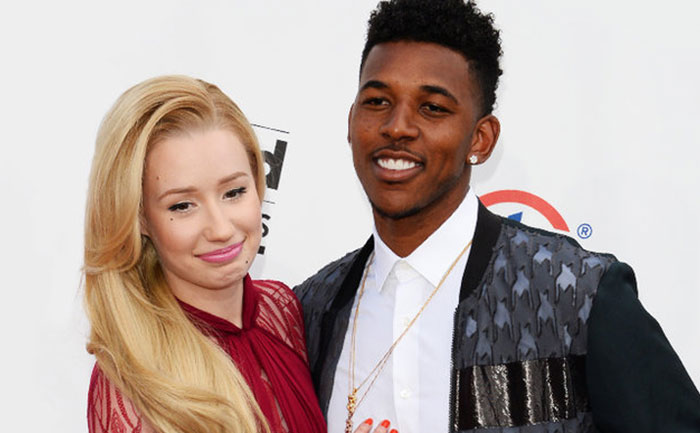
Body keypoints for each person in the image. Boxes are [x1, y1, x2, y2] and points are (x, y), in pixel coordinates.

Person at [294, 1, 700, 432]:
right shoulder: (309, 312)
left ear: (481, 139)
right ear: (351, 120)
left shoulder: (577, 295)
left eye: (432, 108)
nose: (397, 127)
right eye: (377, 101)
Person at [83, 75, 332, 433]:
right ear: (139, 218)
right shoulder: (131, 381)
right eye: (182, 205)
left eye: (234, 192)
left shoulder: (281, 309)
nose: (220, 228)